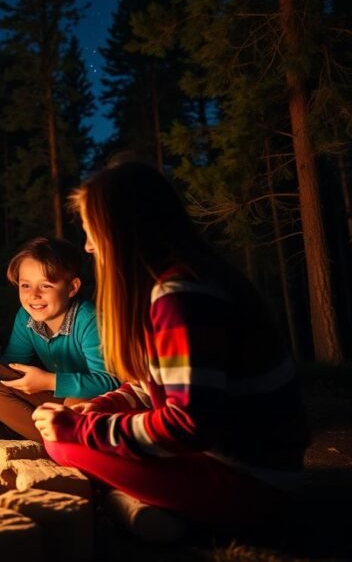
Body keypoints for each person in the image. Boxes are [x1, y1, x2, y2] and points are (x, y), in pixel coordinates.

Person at [32, 161, 308, 530]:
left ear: (122, 230)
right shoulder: (177, 283)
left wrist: (80, 430)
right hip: (242, 466)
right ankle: (140, 504)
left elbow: (189, 424)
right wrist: (98, 408)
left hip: (253, 483)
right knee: (77, 433)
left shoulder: (180, 297)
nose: (88, 245)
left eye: (91, 231)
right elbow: (152, 386)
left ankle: (154, 508)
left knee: (62, 446)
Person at [0, 237, 118, 441]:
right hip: (57, 393)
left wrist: (49, 381)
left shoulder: (90, 320)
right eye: (25, 285)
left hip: (96, 399)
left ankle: (69, 447)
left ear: (72, 288)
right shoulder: (26, 317)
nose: (33, 295)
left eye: (46, 286)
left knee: (73, 403)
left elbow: (109, 381)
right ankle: (50, 447)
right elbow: (15, 361)